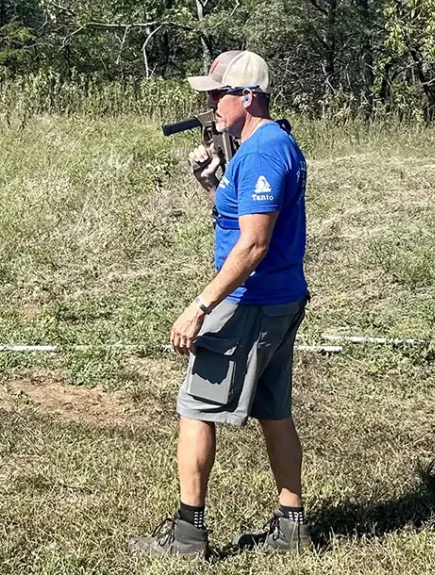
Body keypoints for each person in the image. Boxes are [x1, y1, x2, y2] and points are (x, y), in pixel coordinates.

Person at [127, 50, 312, 558]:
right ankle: (292, 527)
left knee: (194, 407)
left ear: (247, 97)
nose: (209, 104)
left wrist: (201, 306)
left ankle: (187, 535)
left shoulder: (263, 153)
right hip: (277, 298)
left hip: (250, 301)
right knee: (274, 410)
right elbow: (237, 219)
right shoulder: (257, 147)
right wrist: (212, 181)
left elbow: (253, 245)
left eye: (216, 94)